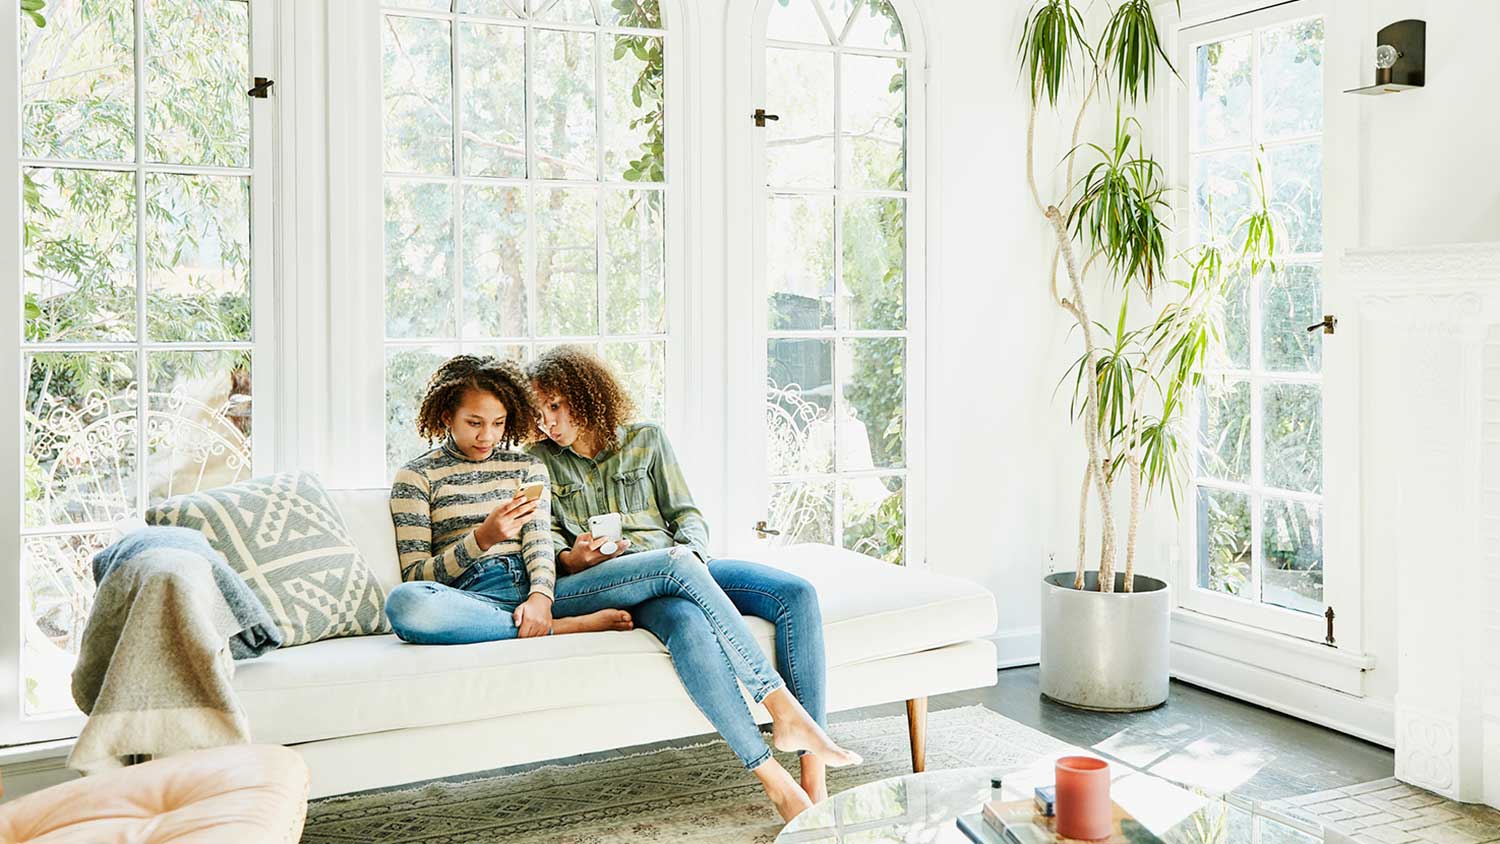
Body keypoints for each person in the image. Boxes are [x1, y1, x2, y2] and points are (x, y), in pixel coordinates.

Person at [383, 355, 858, 821]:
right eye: (475, 422)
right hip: (507, 595)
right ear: (446, 415)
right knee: (405, 606)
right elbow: (423, 579)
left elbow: (547, 552)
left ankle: (803, 770)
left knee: (770, 592)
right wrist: (492, 542)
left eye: (500, 422)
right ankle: (566, 630)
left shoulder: (541, 464)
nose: (489, 435)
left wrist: (541, 594)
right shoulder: (430, 475)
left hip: (633, 573)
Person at [526, 345, 845, 810]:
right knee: (690, 624)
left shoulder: (646, 438)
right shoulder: (539, 462)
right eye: (538, 414)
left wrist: (691, 556)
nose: (547, 423)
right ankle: (773, 781)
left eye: (554, 406)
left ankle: (813, 779)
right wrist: (572, 559)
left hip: (680, 563)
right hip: (626, 584)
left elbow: (687, 516)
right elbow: (546, 547)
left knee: (796, 594)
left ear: (584, 392)